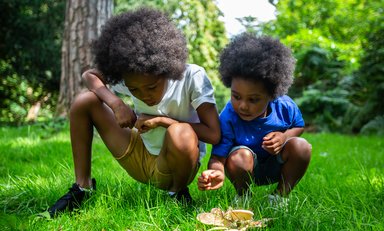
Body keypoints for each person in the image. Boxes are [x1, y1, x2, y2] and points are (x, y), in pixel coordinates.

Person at [47, 7, 221, 218]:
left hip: (176, 165)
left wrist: (162, 121)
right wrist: (116, 103)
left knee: (181, 132)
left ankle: (177, 194)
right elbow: (89, 75)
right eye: (134, 90)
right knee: (85, 101)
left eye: (151, 87)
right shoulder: (131, 73)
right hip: (138, 154)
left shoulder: (192, 77)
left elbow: (213, 134)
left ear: (166, 69)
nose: (144, 95)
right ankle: (82, 188)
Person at [197, 33, 312, 204]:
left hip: (276, 166)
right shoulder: (228, 117)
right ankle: (244, 197)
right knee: (239, 156)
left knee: (302, 147)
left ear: (272, 95)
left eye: (253, 99)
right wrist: (216, 172)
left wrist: (284, 137)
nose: (243, 105)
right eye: (236, 96)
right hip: (242, 170)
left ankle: (279, 198)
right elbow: (218, 158)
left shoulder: (285, 106)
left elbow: (299, 126)